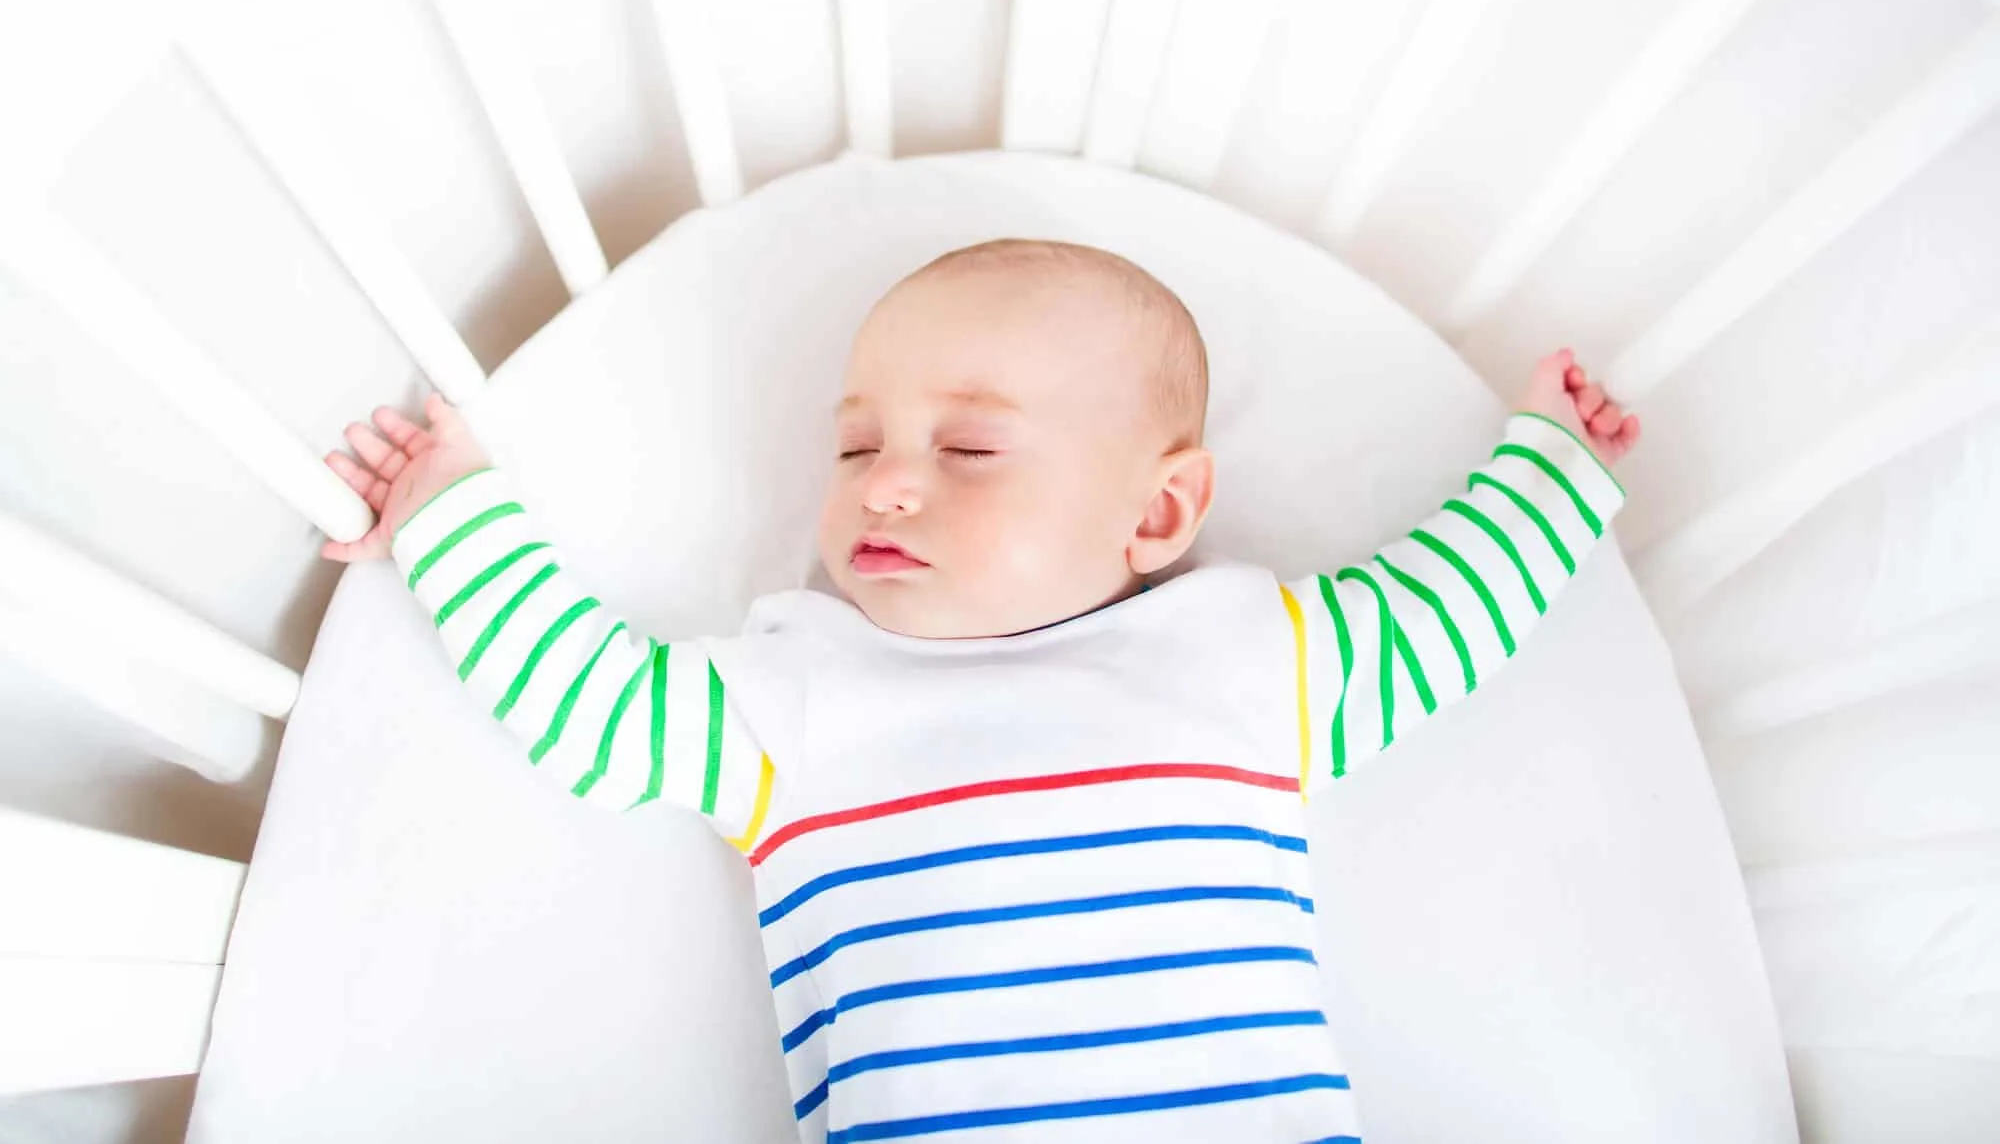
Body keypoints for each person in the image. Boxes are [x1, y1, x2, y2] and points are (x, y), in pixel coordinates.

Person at [322, 238, 1641, 1143]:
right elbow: (585, 704)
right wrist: (452, 514)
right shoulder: (796, 698)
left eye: (968, 447)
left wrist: (1553, 464)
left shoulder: (1245, 658)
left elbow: (1455, 605)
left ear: (1160, 508)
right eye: (857, 445)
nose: (887, 480)